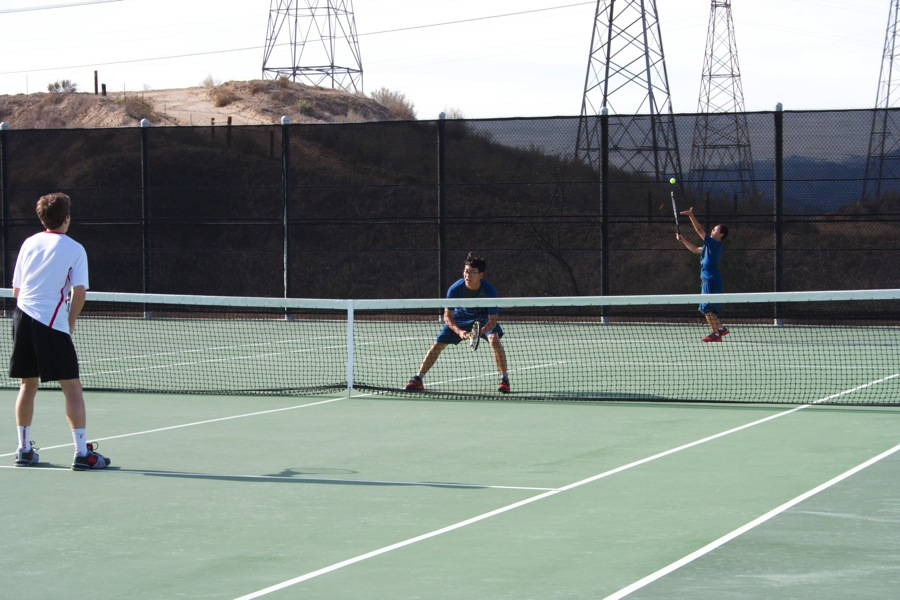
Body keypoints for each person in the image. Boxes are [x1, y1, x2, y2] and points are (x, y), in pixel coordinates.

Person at [10, 192, 111, 470]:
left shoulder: (28, 243)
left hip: (21, 317)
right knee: (72, 387)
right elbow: (79, 293)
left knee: (27, 384)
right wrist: (70, 322)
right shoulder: (75, 248)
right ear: (67, 219)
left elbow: (17, 290)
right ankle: (81, 454)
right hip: (50, 323)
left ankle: (24, 449)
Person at [405, 252, 510, 393]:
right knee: (438, 345)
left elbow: (492, 321)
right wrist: (459, 331)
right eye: (466, 272)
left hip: (483, 317)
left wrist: (480, 331)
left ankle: (504, 379)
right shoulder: (455, 289)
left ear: (481, 275)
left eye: (473, 272)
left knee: (494, 339)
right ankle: (418, 378)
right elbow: (447, 316)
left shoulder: (489, 291)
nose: (468, 276)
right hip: (461, 316)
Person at [676, 207, 730, 342]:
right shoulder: (708, 247)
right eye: (713, 229)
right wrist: (683, 240)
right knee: (708, 308)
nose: (713, 230)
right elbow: (695, 249)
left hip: (710, 280)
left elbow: (699, 231)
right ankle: (720, 330)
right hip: (709, 280)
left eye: (716, 230)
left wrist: (690, 216)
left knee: (705, 308)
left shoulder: (715, 244)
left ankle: (718, 333)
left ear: (721, 235)